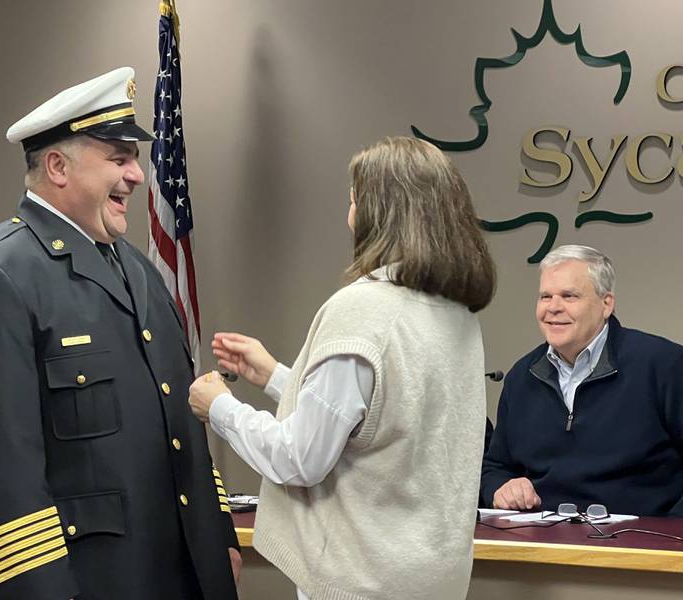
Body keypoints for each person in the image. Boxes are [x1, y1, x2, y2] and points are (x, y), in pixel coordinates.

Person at [0, 67, 239, 600]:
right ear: (57, 167)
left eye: (134, 159)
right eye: (118, 158)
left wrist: (219, 540)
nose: (137, 175)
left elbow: (181, 428)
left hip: (177, 575)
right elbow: (2, 484)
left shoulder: (137, 270)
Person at [189, 136, 496, 600]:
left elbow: (298, 458)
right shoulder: (456, 317)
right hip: (433, 582)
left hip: (361, 583)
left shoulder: (362, 309)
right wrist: (274, 375)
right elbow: (384, 416)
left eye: (354, 201)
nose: (349, 215)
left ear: (379, 213)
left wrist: (222, 409)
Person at [481, 245, 683, 516]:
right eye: (545, 296)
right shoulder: (522, 376)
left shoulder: (663, 364)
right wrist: (501, 487)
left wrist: (668, 535)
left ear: (606, 304)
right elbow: (494, 467)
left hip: (642, 546)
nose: (553, 308)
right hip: (541, 542)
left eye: (569, 296)